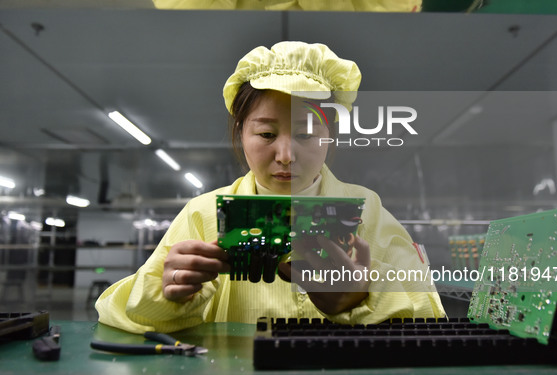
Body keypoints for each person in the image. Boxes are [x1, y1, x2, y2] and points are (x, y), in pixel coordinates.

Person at [95, 41, 445, 333]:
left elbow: (430, 313)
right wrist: (167, 292)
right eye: (266, 134)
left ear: (330, 136)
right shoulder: (203, 215)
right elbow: (118, 315)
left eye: (306, 134)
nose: (286, 155)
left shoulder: (366, 209)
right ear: (240, 133)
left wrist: (367, 295)